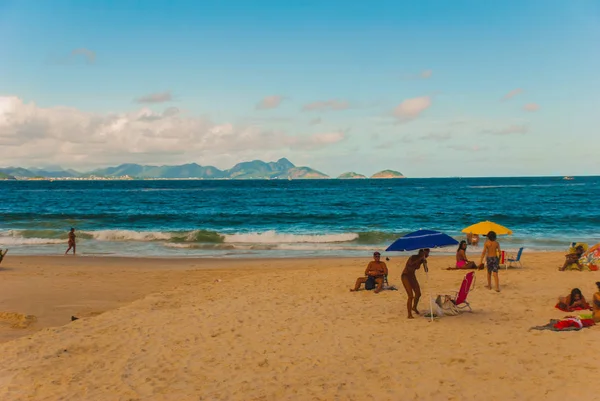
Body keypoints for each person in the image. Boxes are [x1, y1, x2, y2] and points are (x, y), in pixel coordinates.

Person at [401, 248, 429, 319]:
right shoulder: (413, 257)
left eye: (428, 253)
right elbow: (410, 264)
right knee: (410, 296)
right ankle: (409, 314)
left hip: (412, 276)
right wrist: (420, 259)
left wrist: (424, 262)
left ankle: (414, 307)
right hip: (405, 275)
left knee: (418, 293)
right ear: (422, 253)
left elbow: (426, 270)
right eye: (426, 253)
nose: (428, 255)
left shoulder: (422, 260)